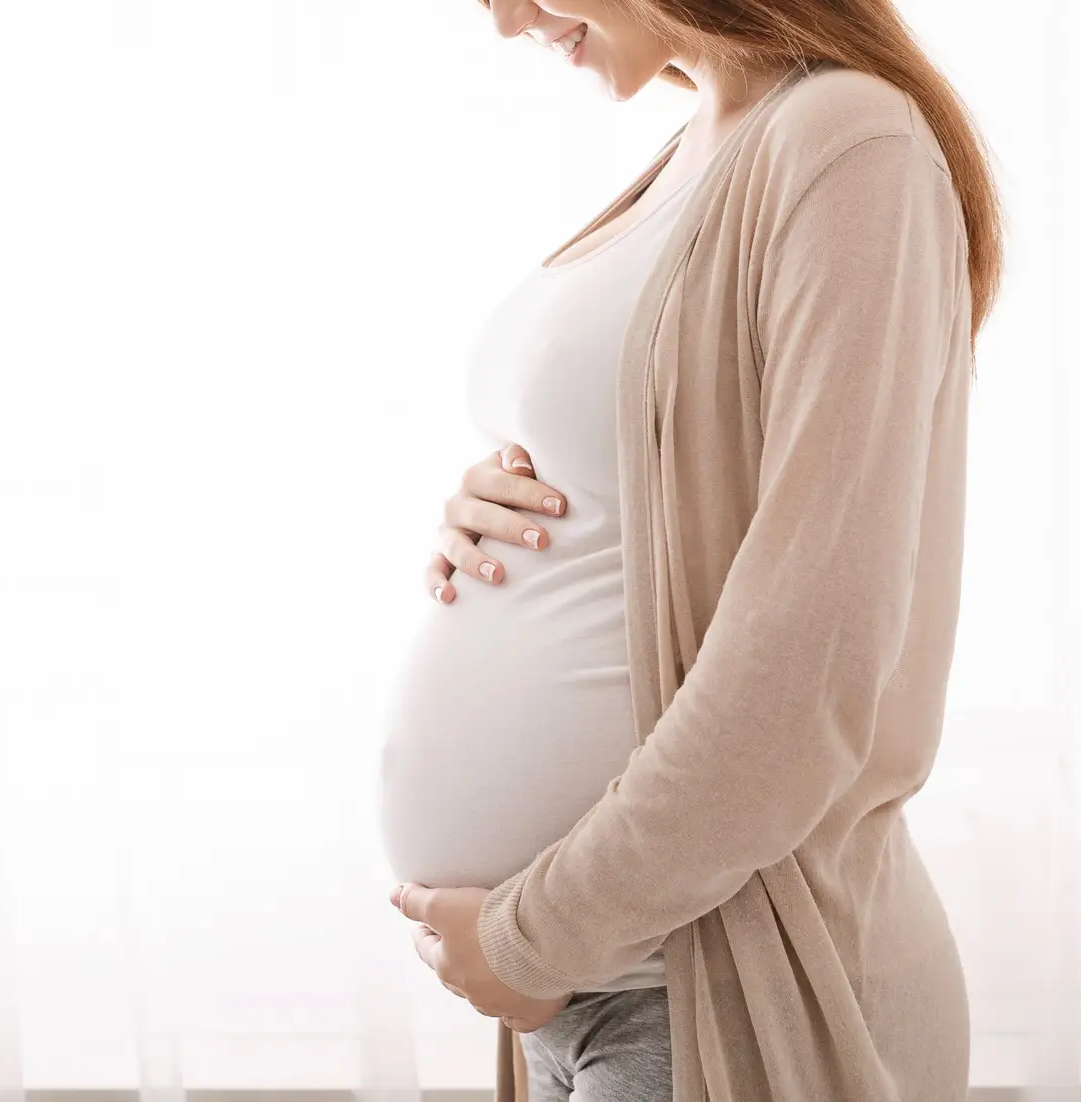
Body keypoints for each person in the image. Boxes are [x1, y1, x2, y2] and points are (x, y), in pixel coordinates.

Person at [373, 1, 1001, 1099]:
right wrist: (505, 512)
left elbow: (813, 657)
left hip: (711, 986)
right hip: (592, 993)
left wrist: (531, 938)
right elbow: (667, 492)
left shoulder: (850, 142)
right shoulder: (699, 143)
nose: (507, 19)